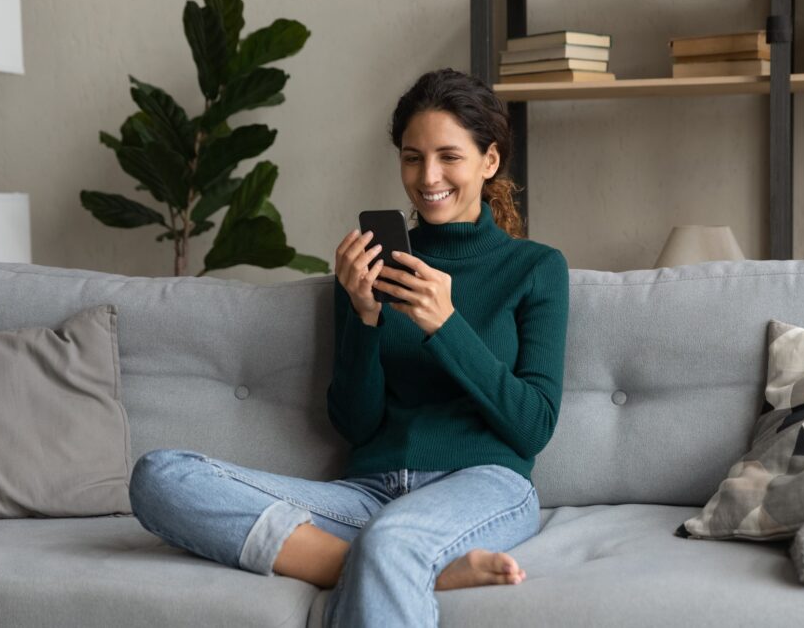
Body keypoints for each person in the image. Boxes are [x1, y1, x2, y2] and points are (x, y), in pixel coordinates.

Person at [128, 67, 570, 627]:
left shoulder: (535, 268)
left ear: (490, 160)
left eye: (448, 156)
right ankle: (407, 566)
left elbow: (534, 426)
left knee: (392, 540)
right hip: (369, 492)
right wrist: (363, 316)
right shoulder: (370, 266)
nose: (427, 175)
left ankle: (393, 557)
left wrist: (446, 325)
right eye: (412, 157)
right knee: (161, 476)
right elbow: (357, 426)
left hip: (483, 484)